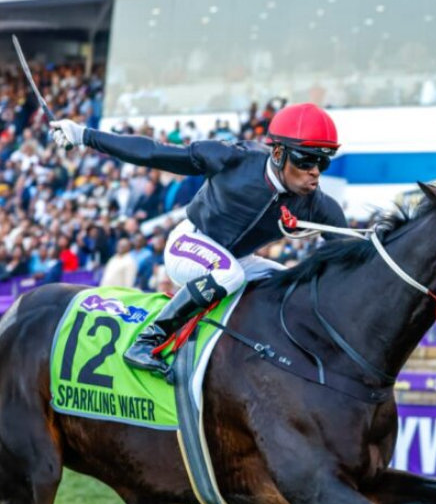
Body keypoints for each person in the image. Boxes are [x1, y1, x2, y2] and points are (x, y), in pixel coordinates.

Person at [51, 102, 348, 373]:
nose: (315, 172)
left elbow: (355, 257)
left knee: (290, 283)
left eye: (323, 163)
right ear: (279, 153)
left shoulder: (318, 205)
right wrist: (84, 135)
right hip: (189, 244)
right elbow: (153, 152)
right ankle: (148, 340)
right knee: (229, 274)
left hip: (235, 260)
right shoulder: (232, 158)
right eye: (306, 160)